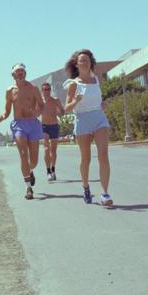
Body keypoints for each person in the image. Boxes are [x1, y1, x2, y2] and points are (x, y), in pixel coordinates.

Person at [63, 49, 114, 207]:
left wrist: (102, 104)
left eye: (87, 60)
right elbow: (67, 108)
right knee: (86, 159)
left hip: (99, 118)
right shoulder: (73, 84)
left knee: (103, 155)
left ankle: (105, 194)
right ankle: (86, 186)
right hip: (82, 119)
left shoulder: (96, 80)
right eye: (81, 60)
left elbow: (97, 100)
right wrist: (76, 101)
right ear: (76, 64)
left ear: (91, 63)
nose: (84, 62)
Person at [0, 63, 43, 199]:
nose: (20, 73)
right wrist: (3, 116)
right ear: (13, 75)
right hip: (19, 125)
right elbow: (7, 110)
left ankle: (30, 170)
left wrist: (36, 112)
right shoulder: (10, 91)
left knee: (34, 160)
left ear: (25, 73)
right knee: (23, 155)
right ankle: (28, 188)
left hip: (33, 124)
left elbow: (41, 105)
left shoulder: (34, 88)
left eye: (22, 71)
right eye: (18, 71)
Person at [39, 81, 64, 182]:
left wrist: (59, 113)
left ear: (50, 90)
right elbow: (35, 113)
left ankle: (53, 169)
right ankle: (48, 171)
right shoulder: (40, 102)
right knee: (46, 148)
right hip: (44, 126)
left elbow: (62, 111)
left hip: (54, 125)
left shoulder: (55, 100)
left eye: (48, 89)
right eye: (45, 89)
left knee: (53, 151)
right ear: (42, 90)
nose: (47, 91)